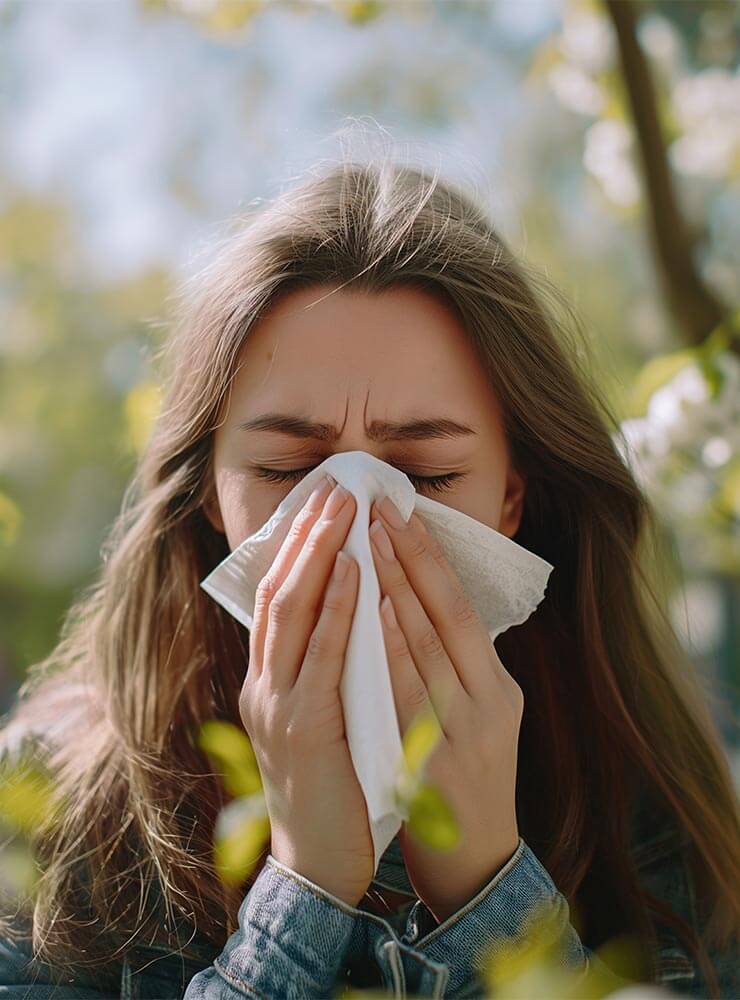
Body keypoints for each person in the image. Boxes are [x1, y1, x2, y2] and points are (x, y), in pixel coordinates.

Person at [0, 149, 738, 1000]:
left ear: (512, 498)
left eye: (425, 475)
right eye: (286, 469)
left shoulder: (642, 790)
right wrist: (305, 890)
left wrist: (490, 888)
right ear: (209, 490)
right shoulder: (51, 803)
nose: (352, 521)